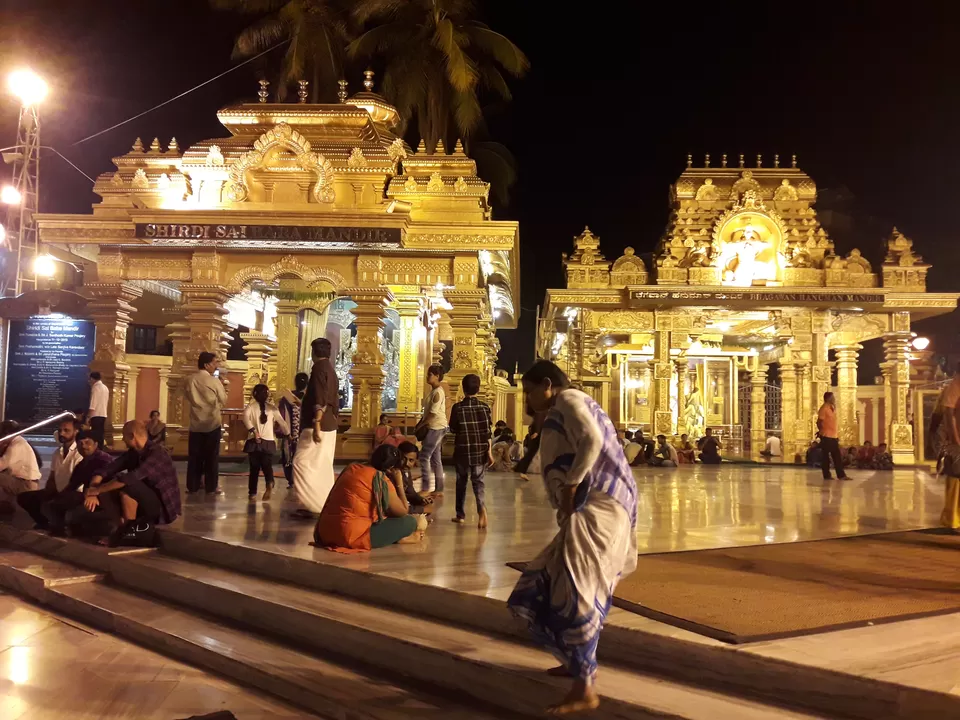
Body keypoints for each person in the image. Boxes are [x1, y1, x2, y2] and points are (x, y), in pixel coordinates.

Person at [508, 361, 637, 714]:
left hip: (598, 506)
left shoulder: (569, 399)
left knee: (579, 586)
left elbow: (591, 440)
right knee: (554, 578)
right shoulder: (566, 404)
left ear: (547, 384)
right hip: (591, 506)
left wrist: (571, 484)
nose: (528, 399)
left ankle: (585, 686)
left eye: (529, 391)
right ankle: (573, 660)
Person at [80, 420, 181, 545]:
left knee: (126, 483)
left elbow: (130, 478)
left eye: (124, 435)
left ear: (132, 436)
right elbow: (107, 469)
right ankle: (122, 528)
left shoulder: (157, 454)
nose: (122, 439)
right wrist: (93, 489)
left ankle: (127, 533)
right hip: (144, 501)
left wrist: (97, 490)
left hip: (162, 509)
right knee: (110, 482)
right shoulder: (134, 453)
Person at [314, 444, 421, 553]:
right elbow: (402, 511)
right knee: (410, 522)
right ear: (390, 469)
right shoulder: (379, 479)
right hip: (349, 536)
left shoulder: (351, 468)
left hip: (325, 532)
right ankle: (398, 538)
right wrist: (399, 482)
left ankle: (396, 537)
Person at [293, 338, 340, 516]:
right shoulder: (330, 369)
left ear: (313, 352)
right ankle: (324, 503)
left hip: (318, 424)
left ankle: (313, 505)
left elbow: (321, 398)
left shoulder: (319, 369)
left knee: (300, 462)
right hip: (330, 423)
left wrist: (317, 423)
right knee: (322, 464)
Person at [42, 429, 113, 535]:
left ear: (96, 444)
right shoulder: (82, 464)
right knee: (53, 504)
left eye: (87, 443)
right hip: (88, 496)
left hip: (105, 497)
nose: (83, 446)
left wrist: (92, 492)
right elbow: (72, 485)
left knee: (74, 513)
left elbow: (98, 476)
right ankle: (58, 530)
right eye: (80, 444)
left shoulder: (104, 459)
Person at [17, 416, 83, 528]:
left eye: (66, 430)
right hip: (58, 491)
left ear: (76, 432)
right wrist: (46, 493)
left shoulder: (79, 453)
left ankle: (60, 527)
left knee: (53, 503)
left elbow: (78, 482)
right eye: (60, 430)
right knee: (25, 498)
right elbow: (52, 477)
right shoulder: (58, 453)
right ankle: (44, 523)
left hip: (75, 493)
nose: (62, 433)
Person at [448, 373, 493, 528]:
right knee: (478, 482)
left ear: (463, 388)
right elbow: (488, 431)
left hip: (462, 450)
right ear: (478, 388)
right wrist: (490, 452)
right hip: (480, 450)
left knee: (461, 481)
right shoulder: (485, 407)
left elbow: (453, 429)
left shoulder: (457, 408)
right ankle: (482, 511)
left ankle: (460, 515)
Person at [184, 352, 228, 495]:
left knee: (194, 457)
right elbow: (223, 399)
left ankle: (193, 486)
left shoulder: (190, 379)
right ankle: (211, 486)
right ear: (207, 364)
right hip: (212, 423)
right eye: (215, 363)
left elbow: (186, 397)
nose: (216, 366)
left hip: (196, 423)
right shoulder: (214, 381)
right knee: (211, 457)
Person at [243, 383, 290, 502]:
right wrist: (288, 434)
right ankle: (269, 482)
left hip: (254, 442)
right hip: (268, 442)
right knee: (267, 466)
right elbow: (282, 423)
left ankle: (252, 493)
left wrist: (254, 431)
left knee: (254, 469)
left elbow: (245, 418)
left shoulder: (250, 407)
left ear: (254, 394)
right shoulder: (272, 408)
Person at [0, 421, 42, 514]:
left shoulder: (17, 444)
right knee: (5, 474)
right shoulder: (17, 442)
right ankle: (7, 503)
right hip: (21, 481)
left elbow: (1, 464)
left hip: (27, 485)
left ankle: (8, 503)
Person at [936, 367, 960, 529]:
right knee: (955, 478)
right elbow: (948, 413)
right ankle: (951, 518)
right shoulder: (955, 385)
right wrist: (955, 440)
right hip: (957, 442)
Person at [419, 364, 447, 495]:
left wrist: (422, 424)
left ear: (437, 376)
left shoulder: (437, 393)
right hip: (437, 427)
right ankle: (439, 489)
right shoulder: (434, 391)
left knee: (424, 456)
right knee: (436, 458)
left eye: (430, 374)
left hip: (436, 427)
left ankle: (425, 487)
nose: (427, 376)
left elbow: (433, 413)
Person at [278, 372, 308, 489]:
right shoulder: (309, 398)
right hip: (305, 433)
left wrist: (287, 432)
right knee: (304, 457)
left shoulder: (286, 398)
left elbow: (282, 416)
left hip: (290, 434)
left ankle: (291, 480)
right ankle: (302, 480)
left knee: (289, 456)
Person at [397, 441, 434, 516]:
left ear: (415, 461)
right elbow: (395, 505)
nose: (406, 463)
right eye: (403, 459)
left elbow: (410, 493)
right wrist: (422, 510)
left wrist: (421, 500)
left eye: (411, 460)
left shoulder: (406, 472)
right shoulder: (392, 474)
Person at [817, 392, 847, 480]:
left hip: (833, 436)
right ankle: (827, 475)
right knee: (826, 456)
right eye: (833, 397)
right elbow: (819, 421)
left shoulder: (832, 408)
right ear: (828, 398)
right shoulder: (824, 408)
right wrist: (821, 431)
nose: (834, 399)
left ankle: (841, 475)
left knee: (836, 456)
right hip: (826, 436)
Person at [87, 372, 110, 449]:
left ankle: (96, 450)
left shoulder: (95, 388)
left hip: (96, 415)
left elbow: (93, 404)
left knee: (95, 435)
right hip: (103, 414)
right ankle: (101, 450)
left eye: (90, 379)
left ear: (92, 379)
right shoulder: (105, 387)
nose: (89, 381)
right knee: (100, 435)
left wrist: (88, 417)